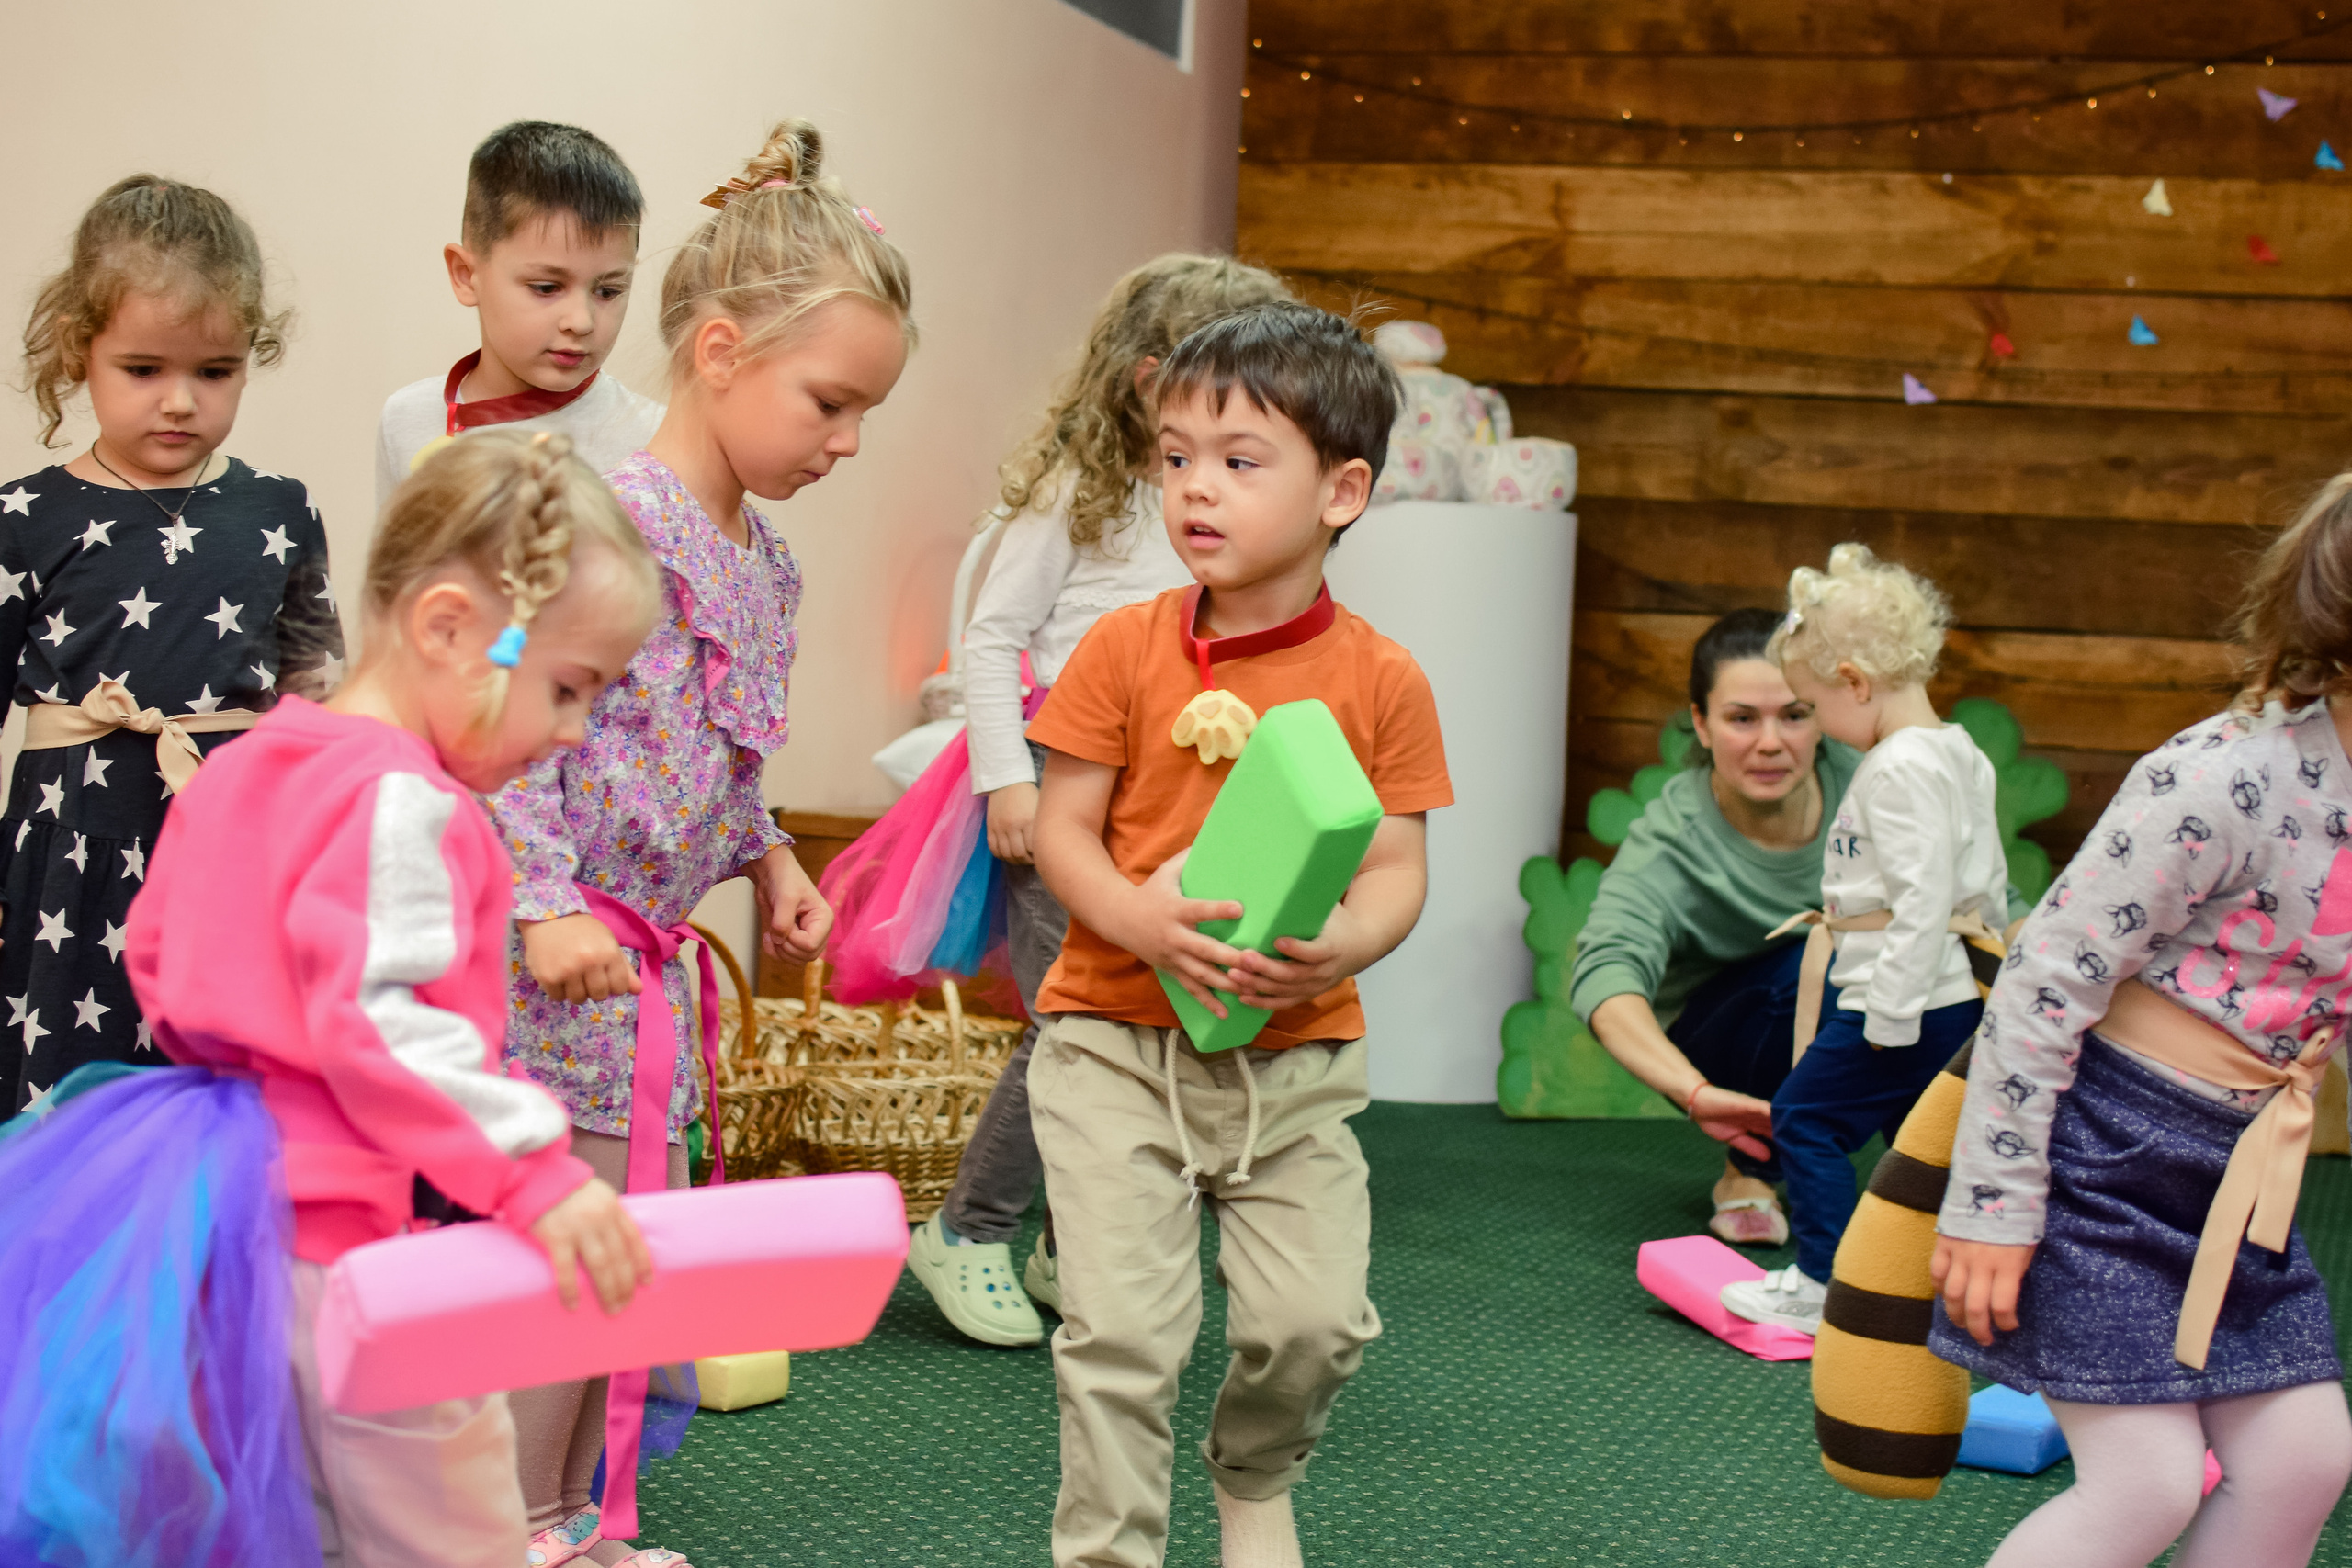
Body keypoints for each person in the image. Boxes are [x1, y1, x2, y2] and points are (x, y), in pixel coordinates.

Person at [0, 430, 662, 1567]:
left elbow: (158, 963)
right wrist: (534, 1176)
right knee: (447, 1530)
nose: (572, 732)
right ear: (450, 627)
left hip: (209, 1229)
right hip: (338, 1247)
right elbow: (383, 1019)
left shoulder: (250, 758)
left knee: (282, 1519)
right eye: (566, 687)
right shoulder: (407, 805)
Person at [484, 118, 911, 1568]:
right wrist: (544, 907)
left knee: (617, 1244)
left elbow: (712, 754)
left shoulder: (764, 561)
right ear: (720, 351)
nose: (847, 442)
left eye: (866, 414)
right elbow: (500, 725)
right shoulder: (606, 520)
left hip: (644, 972)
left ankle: (580, 1518)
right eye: (829, 402)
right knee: (560, 1245)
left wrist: (773, 854)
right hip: (555, 963)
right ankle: (520, 1523)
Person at [1027, 301, 1452, 1568]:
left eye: (1239, 459)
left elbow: (1396, 866)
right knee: (1123, 1336)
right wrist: (1136, 915)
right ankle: (1112, 1551)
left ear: (1344, 489)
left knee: (1315, 1324)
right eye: (1174, 456)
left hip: (1296, 1056)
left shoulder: (1384, 677)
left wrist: (1347, 945)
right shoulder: (1119, 646)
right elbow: (1061, 829)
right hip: (1112, 1041)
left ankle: (1254, 1474)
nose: (1195, 488)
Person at [1929, 479, 2352, 1568]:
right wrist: (1993, 1203)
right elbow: (2040, 982)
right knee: (2145, 1485)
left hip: (2239, 1173)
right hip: (2102, 1154)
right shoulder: (2227, 775)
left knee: (2306, 1460)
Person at [900, 254, 1292, 1348]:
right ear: (1149, 379)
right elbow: (991, 638)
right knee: (1067, 1028)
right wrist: (1006, 782)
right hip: (1061, 791)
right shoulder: (1084, 492)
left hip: (1165, 807)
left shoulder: (1205, 506)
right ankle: (968, 1230)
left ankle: (1070, 1245)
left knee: (1145, 1024)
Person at [0, 174, 342, 1114]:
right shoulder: (25, 518)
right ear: (82, 352)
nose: (180, 402)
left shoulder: (279, 510)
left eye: (215, 371)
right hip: (70, 858)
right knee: (61, 1107)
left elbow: (318, 704)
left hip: (228, 855)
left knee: (209, 1104)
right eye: (144, 369)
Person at [1718, 544, 2007, 1336]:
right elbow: (1982, 882)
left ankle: (1824, 1287)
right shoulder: (1957, 752)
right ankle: (1924, 1287)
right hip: (1949, 996)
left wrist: (1887, 1014)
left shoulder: (1896, 766)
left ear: (1853, 682)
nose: (1823, 730)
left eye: (1811, 707)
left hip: (1903, 994)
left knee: (1804, 1118)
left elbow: (1926, 900)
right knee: (1912, 1149)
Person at [1573, 607, 1861, 1247]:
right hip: (1721, 1037)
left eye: (1794, 714)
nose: (1770, 741)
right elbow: (1602, 976)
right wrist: (1696, 1091)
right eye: (1741, 718)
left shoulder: (1873, 783)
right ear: (1701, 724)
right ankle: (1747, 1168)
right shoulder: (1673, 838)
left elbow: (1988, 898)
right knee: (1824, 961)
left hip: (1855, 1003)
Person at [375, 121, 661, 506]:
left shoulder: (655, 439)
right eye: (546, 287)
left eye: (608, 291)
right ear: (466, 275)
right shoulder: (406, 420)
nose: (581, 321)